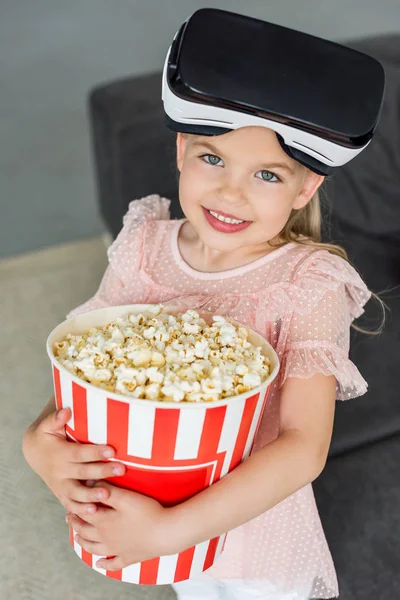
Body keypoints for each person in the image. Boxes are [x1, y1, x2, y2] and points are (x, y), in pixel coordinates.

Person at [23, 10, 386, 600]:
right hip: (152, 495)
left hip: (246, 522)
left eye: (268, 175)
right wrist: (40, 440)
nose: (229, 192)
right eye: (212, 159)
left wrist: (171, 530)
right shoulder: (143, 244)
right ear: (181, 149)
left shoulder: (309, 282)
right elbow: (88, 361)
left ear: (305, 188)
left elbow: (303, 448)